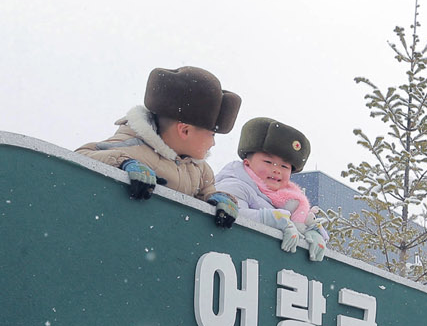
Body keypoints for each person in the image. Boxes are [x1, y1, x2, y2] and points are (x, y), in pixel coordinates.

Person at [76, 66, 242, 226]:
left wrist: (217, 200)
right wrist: (123, 163)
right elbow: (81, 156)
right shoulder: (132, 144)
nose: (213, 143)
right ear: (184, 131)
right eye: (212, 135)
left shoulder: (201, 170)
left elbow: (204, 194)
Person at [212, 117, 328, 260]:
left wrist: (311, 234)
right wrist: (272, 219)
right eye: (268, 162)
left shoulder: (290, 203)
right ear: (247, 163)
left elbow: (295, 229)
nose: (276, 170)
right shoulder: (235, 185)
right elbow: (231, 216)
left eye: (284, 166)